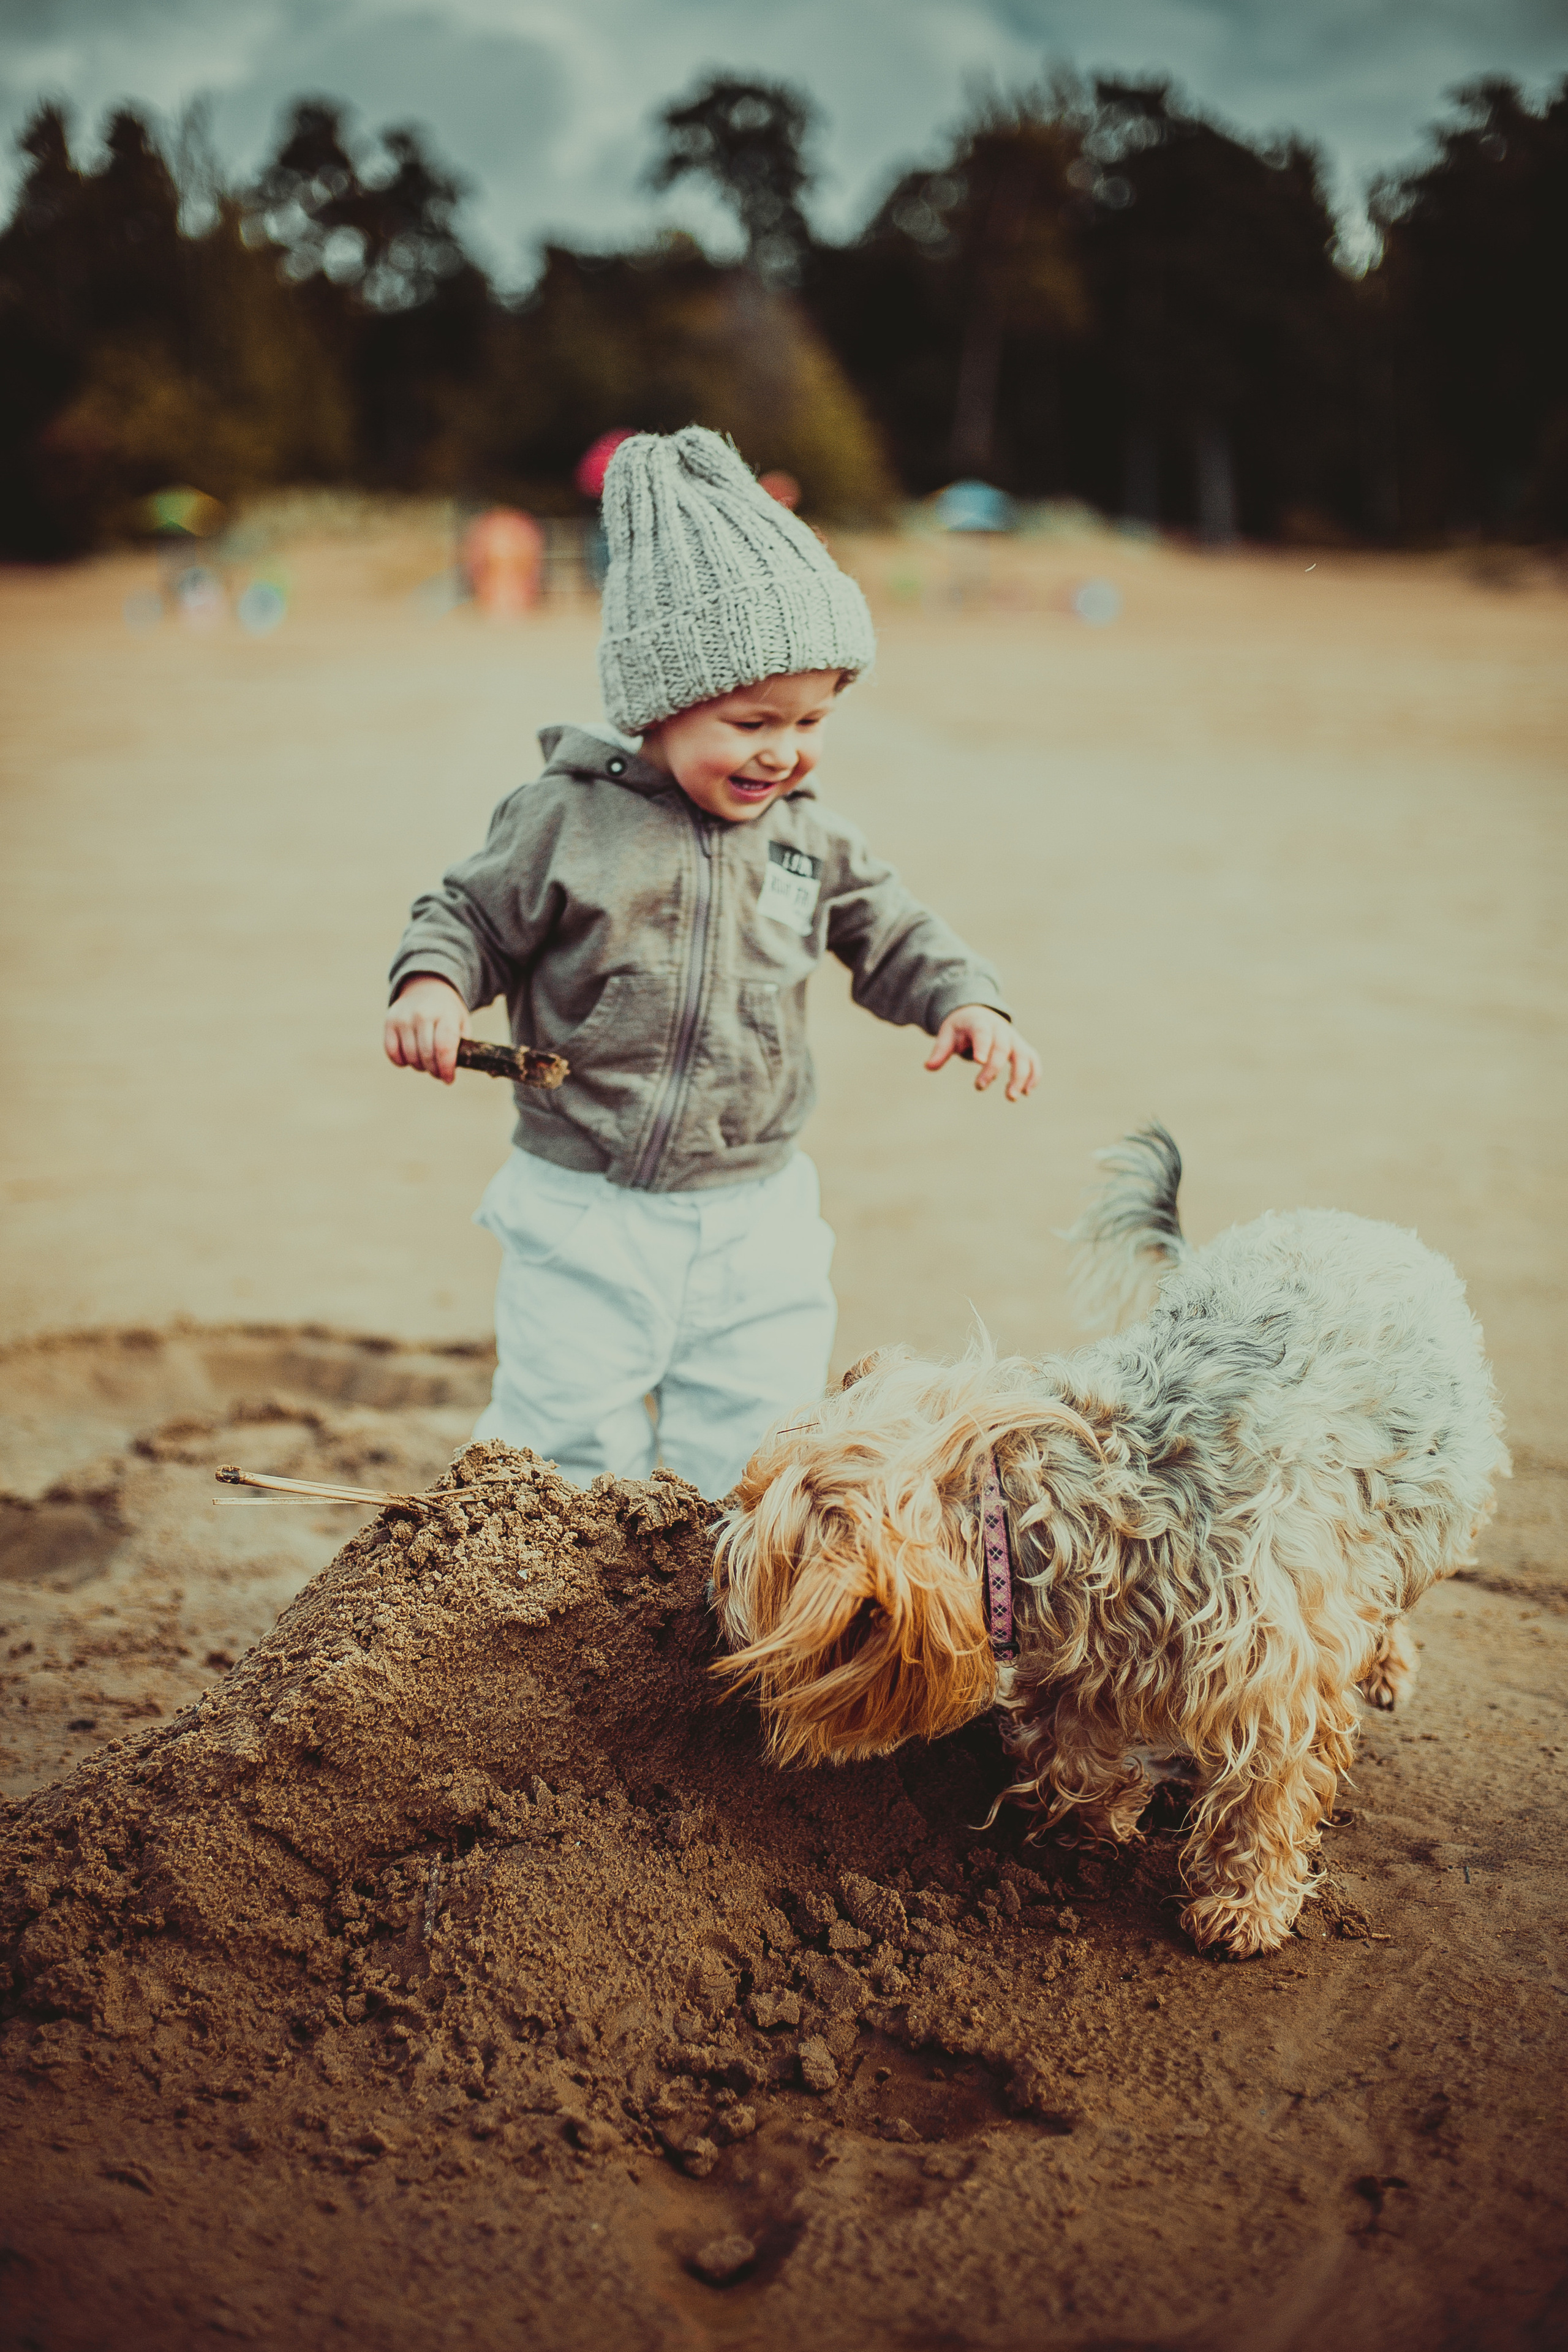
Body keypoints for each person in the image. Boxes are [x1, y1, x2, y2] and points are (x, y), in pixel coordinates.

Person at [386, 426, 1040, 1496]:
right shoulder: (566, 819)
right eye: (752, 721)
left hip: (755, 1208)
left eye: (814, 719)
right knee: (562, 1442)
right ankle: (541, 1633)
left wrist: (966, 1002)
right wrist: (432, 984)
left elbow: (892, 927)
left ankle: (702, 1635)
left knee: (756, 1449)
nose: (784, 750)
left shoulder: (805, 835)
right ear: (661, 703)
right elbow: (467, 912)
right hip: (584, 1202)